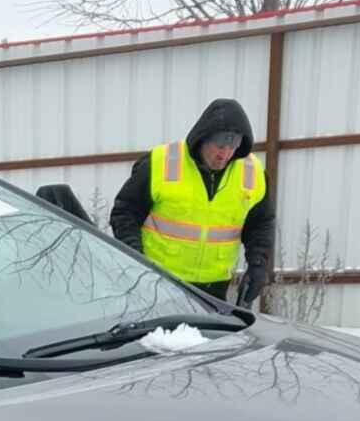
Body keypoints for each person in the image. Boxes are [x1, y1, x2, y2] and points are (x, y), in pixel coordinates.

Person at [110, 98, 274, 307]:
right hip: (158, 285)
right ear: (203, 138)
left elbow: (261, 223)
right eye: (220, 145)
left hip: (214, 290)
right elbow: (125, 213)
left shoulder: (252, 172)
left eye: (233, 146)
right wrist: (136, 258)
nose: (225, 154)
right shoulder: (163, 163)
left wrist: (258, 265)